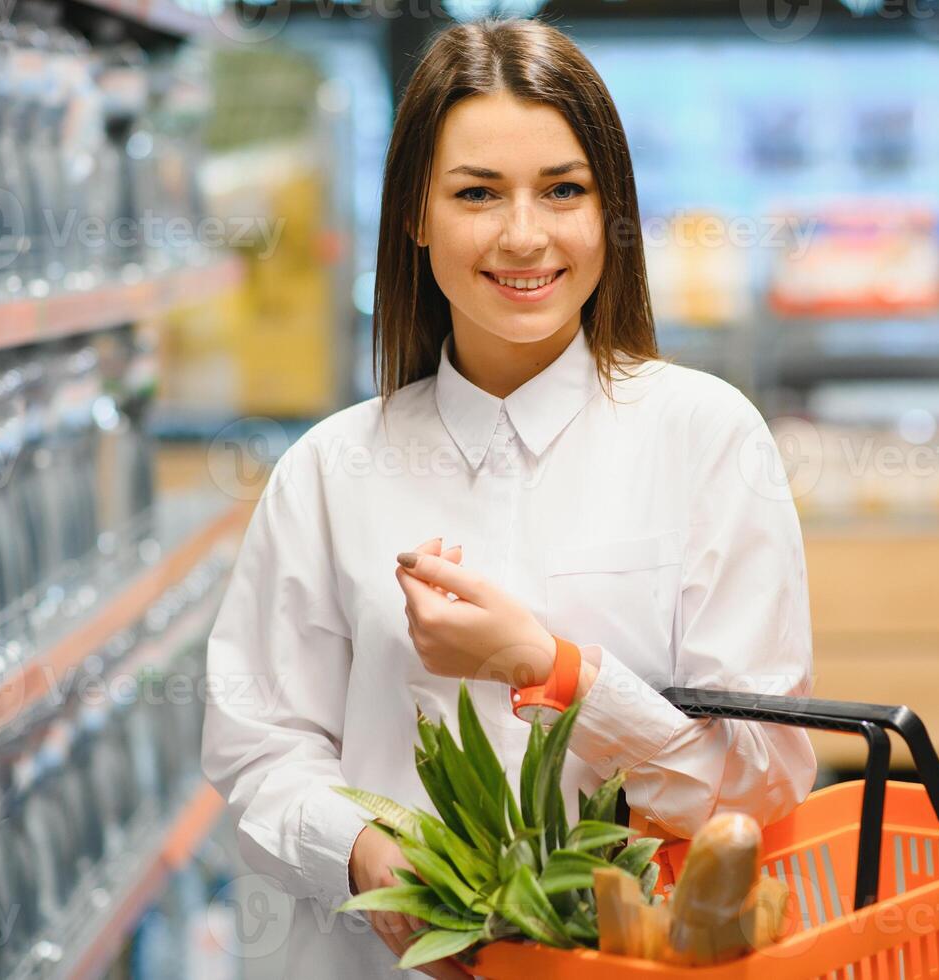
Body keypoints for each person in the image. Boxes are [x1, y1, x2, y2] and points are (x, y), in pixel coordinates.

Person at [200, 17, 816, 979]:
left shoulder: (705, 438)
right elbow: (257, 751)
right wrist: (364, 852)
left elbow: (765, 777)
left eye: (563, 190)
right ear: (415, 214)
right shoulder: (328, 471)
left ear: (610, 211)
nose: (523, 235)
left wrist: (551, 668)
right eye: (476, 194)